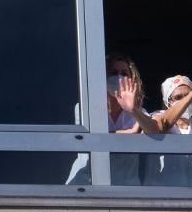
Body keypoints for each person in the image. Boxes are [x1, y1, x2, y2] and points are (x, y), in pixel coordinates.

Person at [66, 53, 160, 186]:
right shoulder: (85, 108)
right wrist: (130, 133)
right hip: (86, 183)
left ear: (132, 80)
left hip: (126, 187)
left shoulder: (140, 112)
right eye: (113, 72)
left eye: (124, 73)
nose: (119, 77)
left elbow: (155, 133)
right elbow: (93, 139)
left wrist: (132, 110)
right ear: (103, 77)